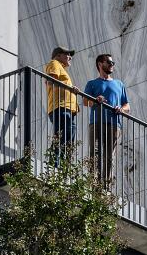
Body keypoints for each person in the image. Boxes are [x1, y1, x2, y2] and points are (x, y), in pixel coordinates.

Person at [83, 51, 129, 182]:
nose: (112, 65)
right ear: (100, 64)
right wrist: (95, 99)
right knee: (95, 153)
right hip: (96, 123)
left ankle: (106, 187)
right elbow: (86, 102)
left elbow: (127, 106)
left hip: (114, 124)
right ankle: (93, 184)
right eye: (109, 62)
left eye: (112, 63)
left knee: (110, 156)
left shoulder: (119, 84)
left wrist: (121, 108)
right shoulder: (92, 83)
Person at [45, 46, 79, 159]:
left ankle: (64, 167)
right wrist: (70, 88)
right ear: (58, 55)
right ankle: (55, 164)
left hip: (67, 109)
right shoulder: (54, 63)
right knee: (61, 137)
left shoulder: (61, 68)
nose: (70, 57)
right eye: (67, 54)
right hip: (61, 107)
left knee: (68, 140)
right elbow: (50, 81)